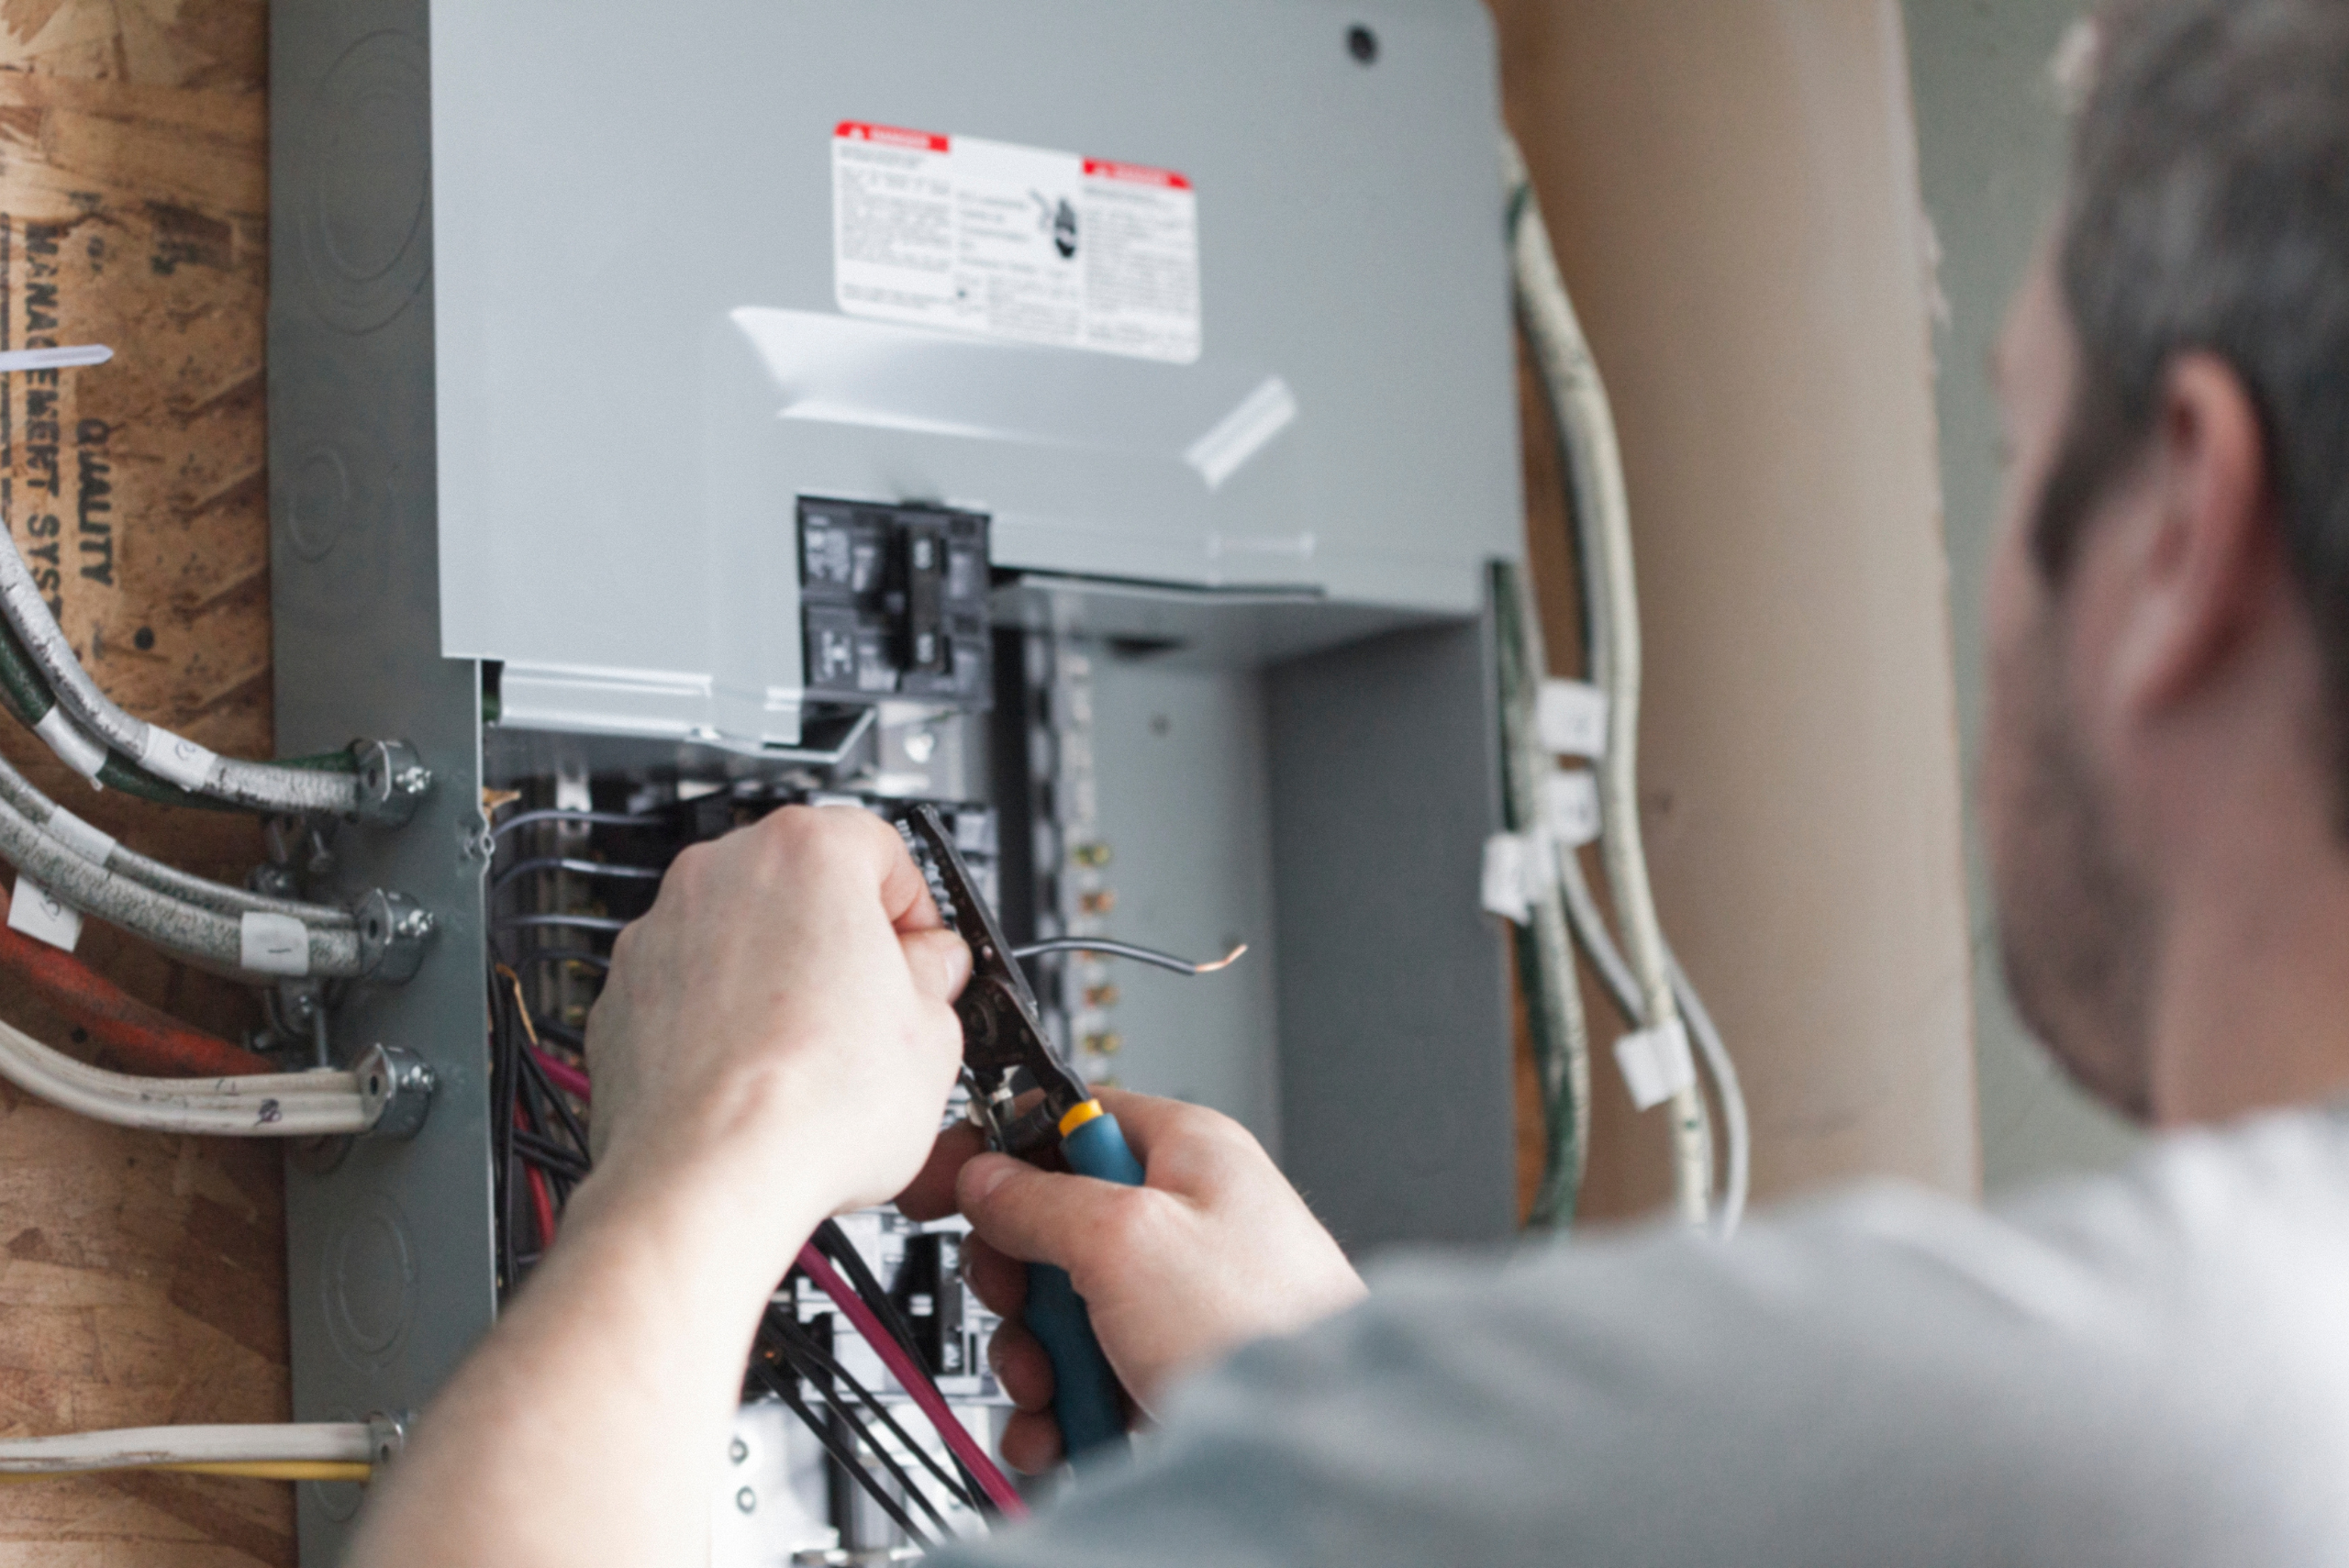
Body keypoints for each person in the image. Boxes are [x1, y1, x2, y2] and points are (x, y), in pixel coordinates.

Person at [349, 0, 2349, 1561]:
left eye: (2013, 465)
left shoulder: (2081, 1429)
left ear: (2176, 525)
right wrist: (1344, 1430)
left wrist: (719, 1146)